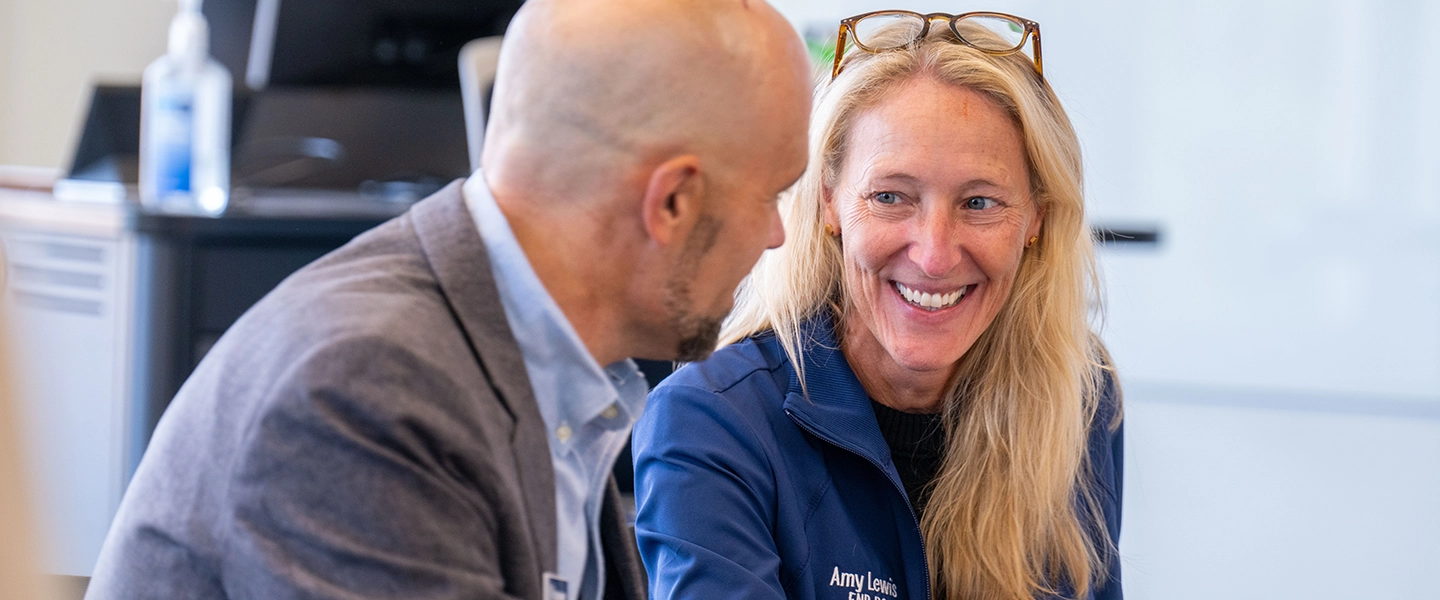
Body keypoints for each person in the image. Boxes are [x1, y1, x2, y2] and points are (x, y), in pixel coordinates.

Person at [85, 0, 812, 597]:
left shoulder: (544, 375)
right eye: (774, 193)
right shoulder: (366, 393)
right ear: (673, 202)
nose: (779, 235)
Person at [633, 11, 1123, 600]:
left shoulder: (1078, 397)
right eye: (890, 196)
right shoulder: (713, 420)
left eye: (980, 202)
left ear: (1036, 218)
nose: (935, 255)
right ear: (829, 203)